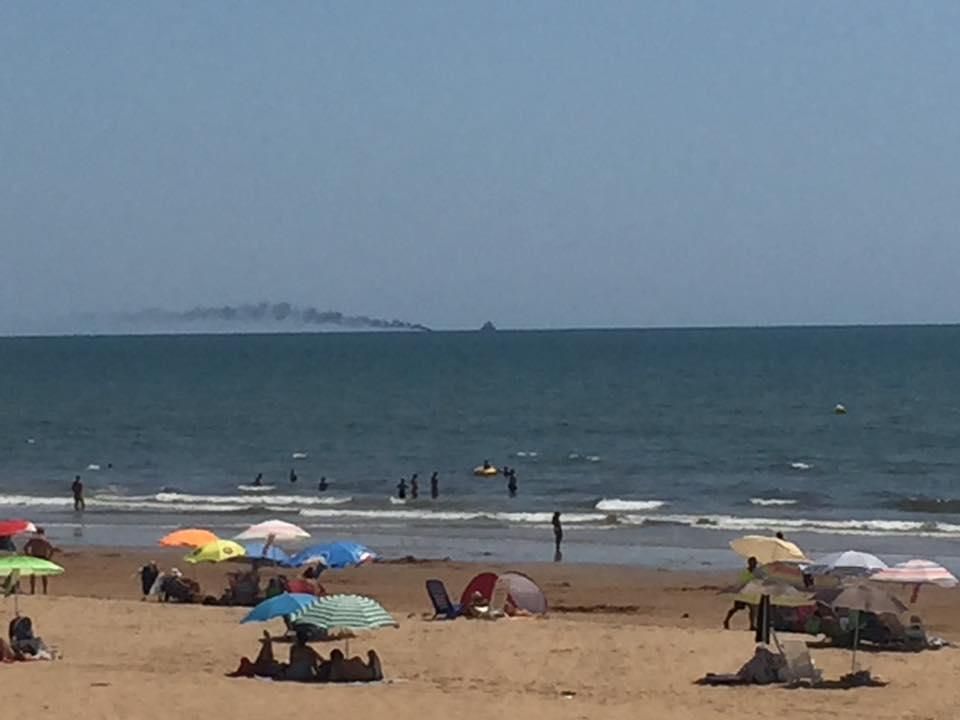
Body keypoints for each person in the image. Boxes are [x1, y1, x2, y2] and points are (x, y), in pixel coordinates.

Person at [723, 556, 759, 630]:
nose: (754, 564)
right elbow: (743, 582)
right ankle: (726, 620)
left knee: (752, 609)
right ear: (749, 563)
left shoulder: (757, 572)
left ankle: (752, 625)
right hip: (742, 594)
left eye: (755, 563)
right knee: (736, 608)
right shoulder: (745, 572)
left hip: (750, 594)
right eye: (752, 563)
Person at [23, 528, 56, 594]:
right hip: (40, 557)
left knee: (37, 575)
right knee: (40, 575)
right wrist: (48, 558)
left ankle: (37, 590)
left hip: (37, 557)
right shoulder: (42, 541)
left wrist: (28, 555)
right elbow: (51, 549)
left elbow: (25, 548)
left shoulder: (35, 541)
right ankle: (41, 591)